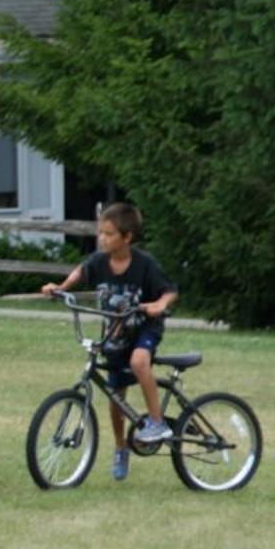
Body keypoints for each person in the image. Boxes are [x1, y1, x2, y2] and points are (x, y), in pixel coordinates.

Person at [41, 202, 179, 480]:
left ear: (127, 237)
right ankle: (120, 448)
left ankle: (157, 422)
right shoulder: (99, 262)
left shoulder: (145, 265)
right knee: (115, 396)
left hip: (144, 329)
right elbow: (80, 271)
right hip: (115, 333)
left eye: (109, 234)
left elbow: (169, 291)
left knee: (139, 361)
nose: (102, 238)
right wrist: (62, 287)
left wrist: (159, 305)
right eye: (101, 233)